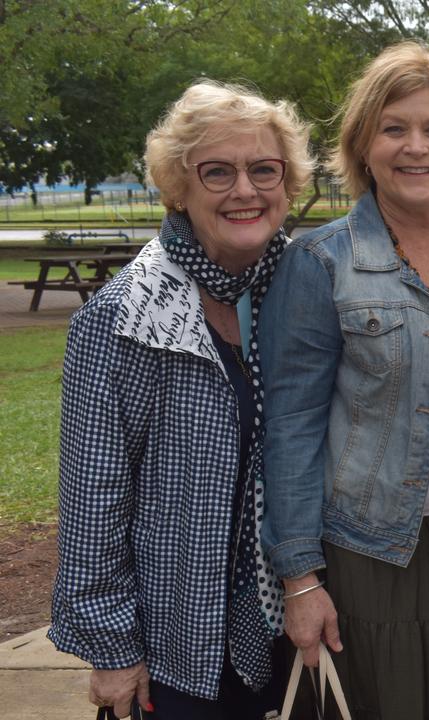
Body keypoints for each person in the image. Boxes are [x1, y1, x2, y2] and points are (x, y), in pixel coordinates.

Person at [259, 42, 429, 717]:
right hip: (372, 554)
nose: (417, 148)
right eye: (394, 128)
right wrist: (300, 580)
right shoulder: (321, 262)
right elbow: (290, 428)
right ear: (363, 145)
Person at [49, 80, 314, 717]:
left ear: (289, 181)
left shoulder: (308, 291)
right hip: (177, 648)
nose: (245, 190)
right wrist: (112, 647)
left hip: (297, 625)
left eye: (263, 169)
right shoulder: (121, 319)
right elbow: (93, 498)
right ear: (178, 185)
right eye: (216, 171)